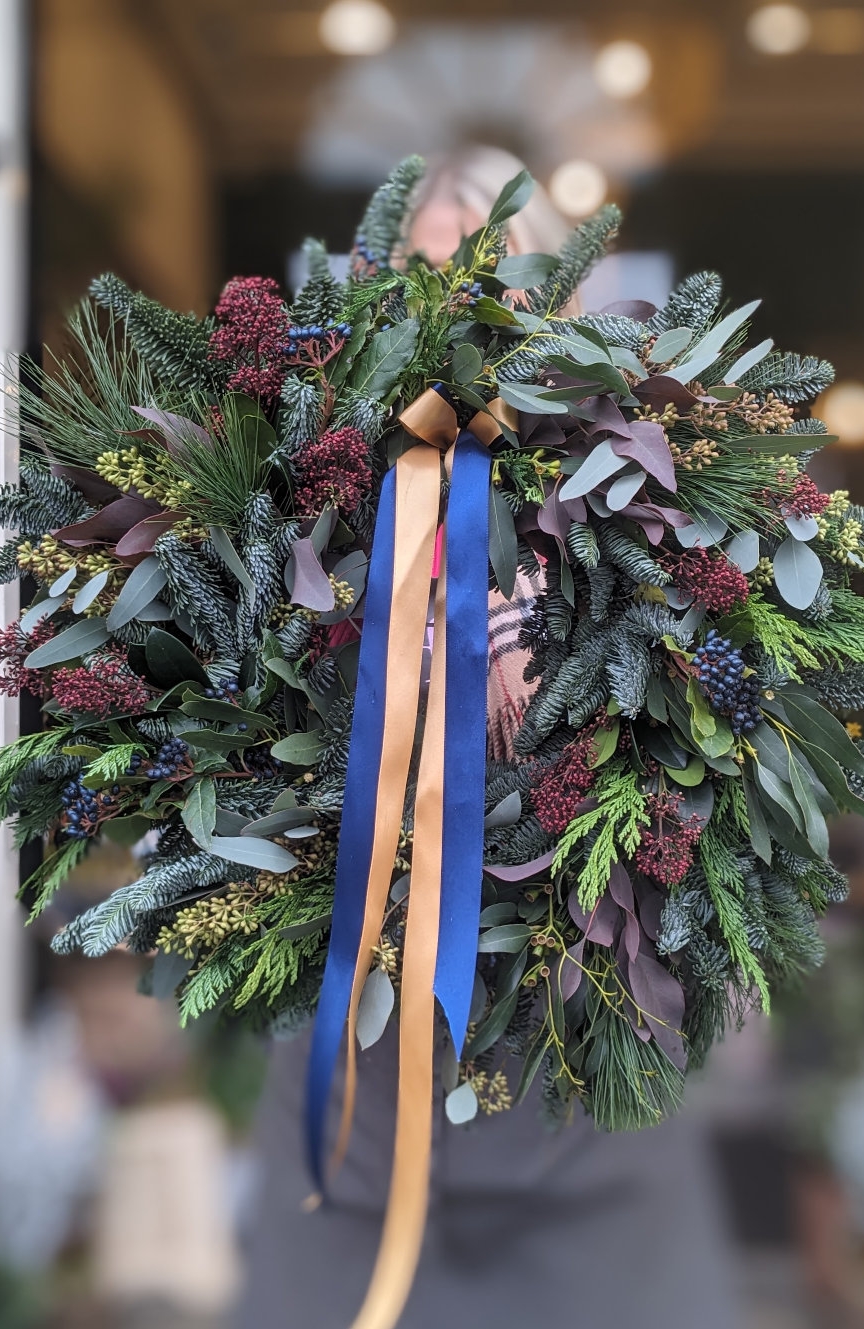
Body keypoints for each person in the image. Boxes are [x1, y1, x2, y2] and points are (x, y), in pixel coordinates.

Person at [234, 148, 743, 1329]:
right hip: (352, 1146)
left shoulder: (667, 501)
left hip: (597, 1144)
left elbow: (724, 764)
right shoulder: (295, 487)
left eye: (502, 261)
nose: (464, 295)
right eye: (429, 265)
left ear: (571, 294)